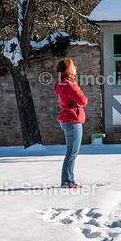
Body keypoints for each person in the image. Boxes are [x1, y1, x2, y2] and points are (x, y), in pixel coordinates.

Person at [54, 57, 87, 188]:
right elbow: (83, 100)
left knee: (71, 152)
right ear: (68, 68)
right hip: (72, 120)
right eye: (73, 65)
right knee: (72, 152)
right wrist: (81, 100)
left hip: (68, 120)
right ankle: (67, 181)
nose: (75, 68)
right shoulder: (68, 84)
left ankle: (68, 180)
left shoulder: (63, 83)